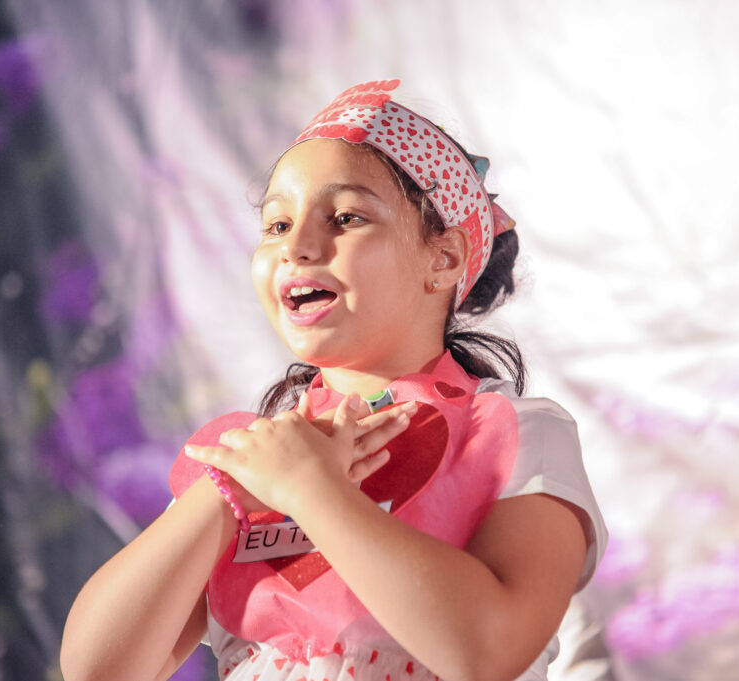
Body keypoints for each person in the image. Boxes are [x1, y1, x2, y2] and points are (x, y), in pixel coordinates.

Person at [60, 79, 607, 681]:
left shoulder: (515, 434)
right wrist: (229, 491)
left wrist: (311, 490)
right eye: (276, 225)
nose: (297, 247)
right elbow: (97, 671)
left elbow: (488, 651)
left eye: (345, 217)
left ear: (444, 258)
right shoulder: (251, 457)